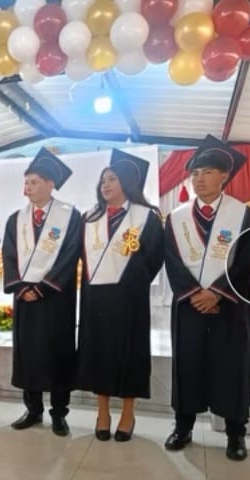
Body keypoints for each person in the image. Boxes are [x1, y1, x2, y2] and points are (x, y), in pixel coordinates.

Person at [164, 135, 250, 461]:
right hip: (189, 305)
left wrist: (216, 293)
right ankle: (183, 427)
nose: (199, 179)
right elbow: (172, 260)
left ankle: (235, 434)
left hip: (230, 306)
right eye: (195, 173)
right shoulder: (176, 218)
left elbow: (245, 262)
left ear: (225, 176)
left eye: (207, 172)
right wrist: (195, 294)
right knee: (187, 365)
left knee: (231, 367)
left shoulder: (244, 215)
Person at [75, 150, 164, 442]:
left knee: (130, 353)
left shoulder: (146, 217)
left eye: (112, 179)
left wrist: (132, 279)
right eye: (103, 180)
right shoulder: (89, 218)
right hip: (95, 298)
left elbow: (155, 257)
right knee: (98, 353)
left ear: (127, 182)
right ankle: (102, 413)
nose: (105, 184)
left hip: (129, 299)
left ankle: (128, 413)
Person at [2, 147, 81, 436]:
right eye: (26, 182)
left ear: (50, 184)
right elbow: (9, 255)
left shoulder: (70, 216)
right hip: (25, 298)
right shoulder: (16, 219)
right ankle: (33, 409)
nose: (28, 187)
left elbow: (70, 254)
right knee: (28, 352)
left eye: (34, 182)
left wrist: (44, 287)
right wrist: (21, 287)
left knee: (57, 352)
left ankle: (59, 413)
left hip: (56, 298)